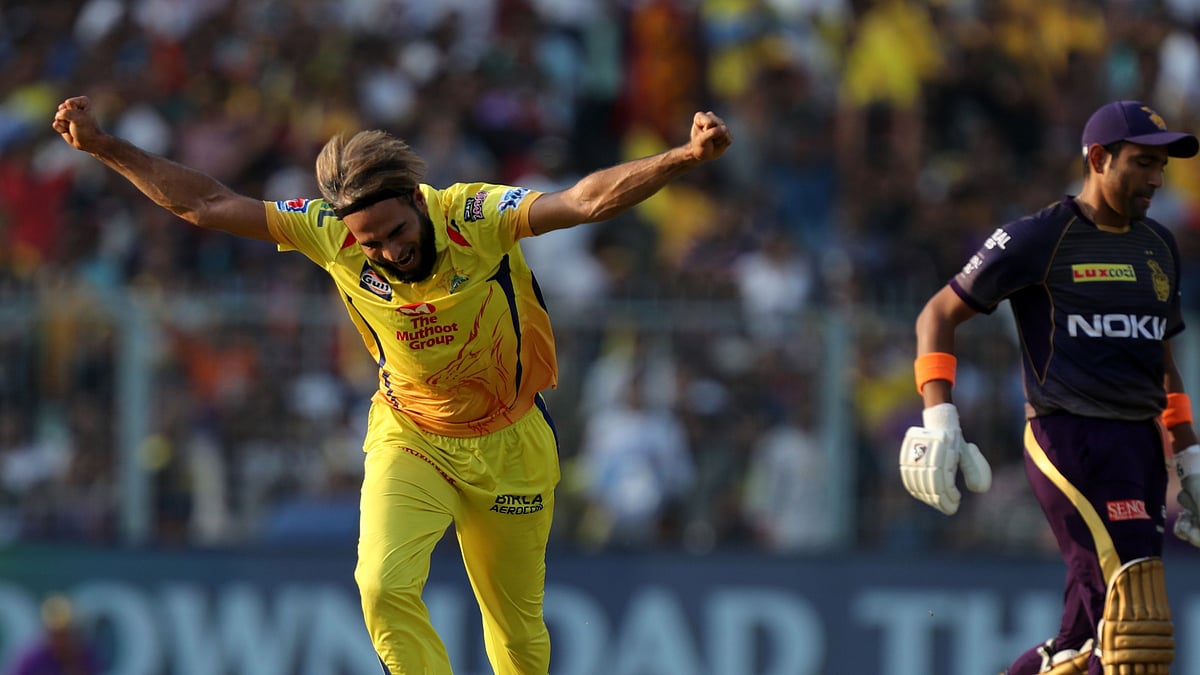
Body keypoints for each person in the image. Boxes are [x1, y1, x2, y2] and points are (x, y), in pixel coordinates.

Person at [52, 95, 731, 675]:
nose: (386, 251)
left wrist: (683, 158)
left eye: (395, 231)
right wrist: (106, 146)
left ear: (416, 200)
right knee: (380, 586)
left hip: (509, 441)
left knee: (518, 639)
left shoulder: (474, 216)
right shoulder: (327, 232)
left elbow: (583, 201)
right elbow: (206, 203)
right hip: (412, 434)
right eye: (369, 243)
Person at [898, 100, 1200, 675]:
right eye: (1142, 163)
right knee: (1138, 620)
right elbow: (936, 314)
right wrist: (940, 418)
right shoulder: (1039, 237)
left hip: (1139, 447)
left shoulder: (1158, 247)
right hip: (1069, 439)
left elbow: (1164, 360)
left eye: (1162, 166)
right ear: (1097, 158)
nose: (1156, 180)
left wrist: (1188, 454)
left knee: (1083, 643)